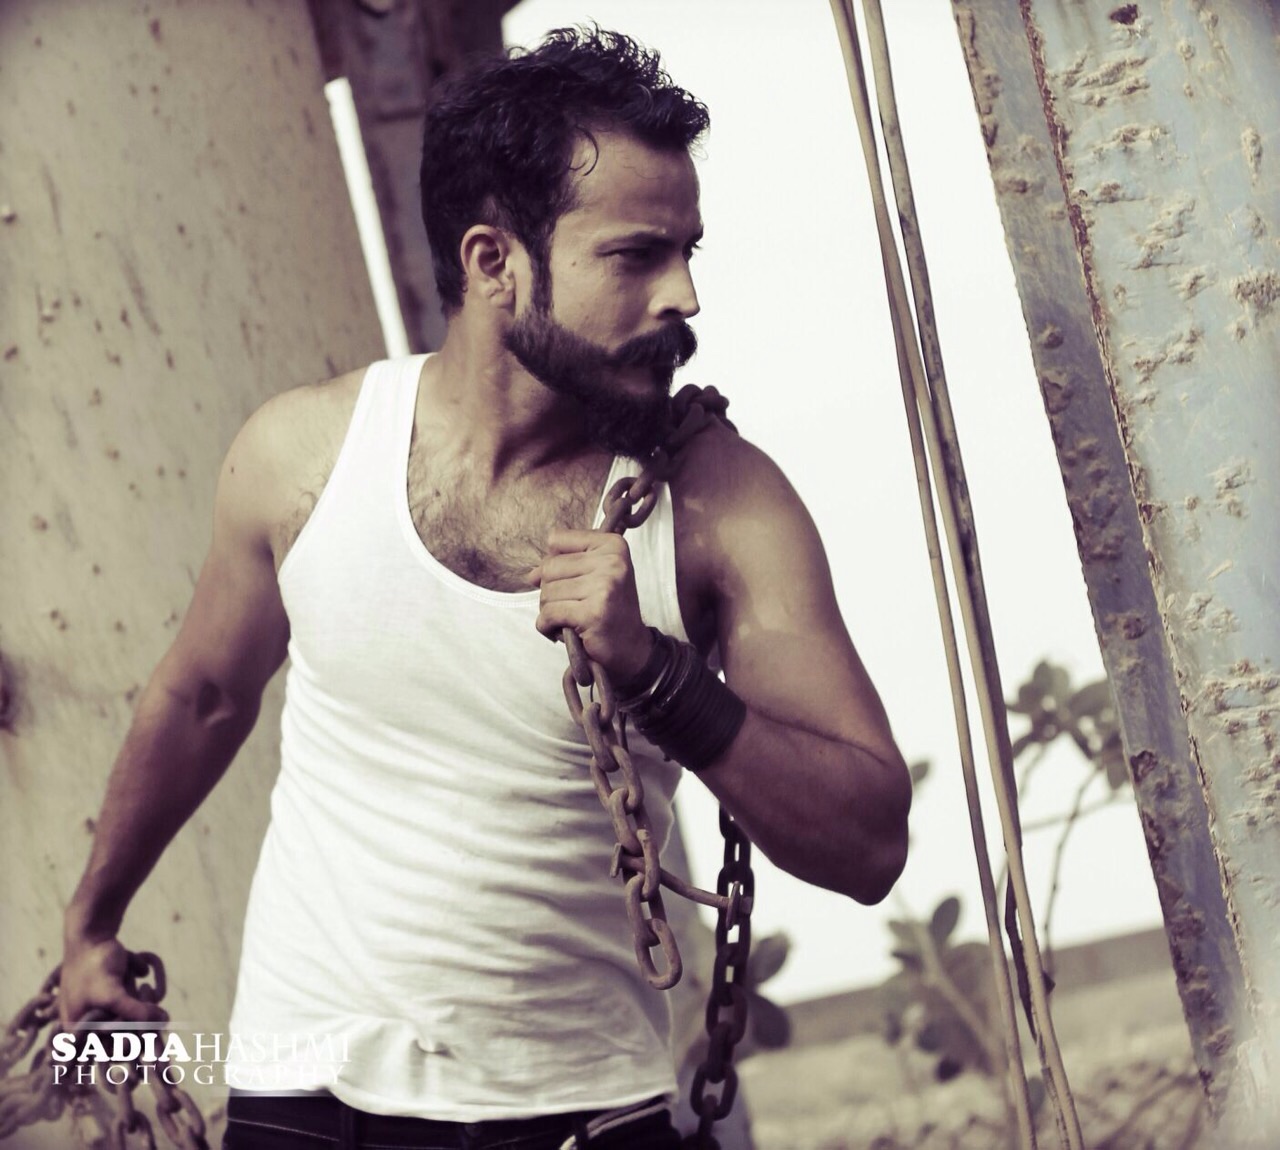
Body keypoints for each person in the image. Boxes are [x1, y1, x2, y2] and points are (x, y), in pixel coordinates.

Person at [59, 26, 912, 1150]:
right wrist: (92, 926)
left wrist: (659, 677)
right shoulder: (301, 456)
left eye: (687, 251)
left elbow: (867, 843)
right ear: (492, 260)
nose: (685, 296)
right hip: (299, 1094)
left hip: (571, 1113)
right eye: (636, 256)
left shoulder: (722, 508)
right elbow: (204, 696)